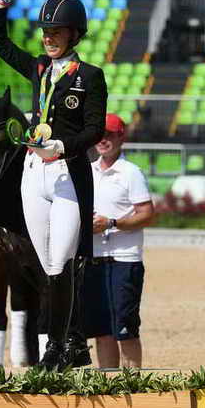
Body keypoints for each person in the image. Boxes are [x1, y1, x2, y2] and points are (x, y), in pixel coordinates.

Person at [0, 0, 107, 370]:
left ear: (74, 34)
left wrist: (63, 145)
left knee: (62, 262)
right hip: (32, 176)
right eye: (45, 31)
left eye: (56, 31)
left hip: (66, 176)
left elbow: (94, 129)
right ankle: (67, 344)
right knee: (45, 264)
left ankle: (59, 347)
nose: (49, 37)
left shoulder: (90, 76)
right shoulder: (38, 68)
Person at [83, 113, 154, 368]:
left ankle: (132, 385)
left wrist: (111, 223)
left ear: (121, 137)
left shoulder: (131, 173)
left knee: (125, 330)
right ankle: (109, 386)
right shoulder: (87, 172)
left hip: (125, 259)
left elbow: (146, 214)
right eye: (99, 135)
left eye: (109, 135)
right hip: (94, 260)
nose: (103, 140)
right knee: (102, 332)